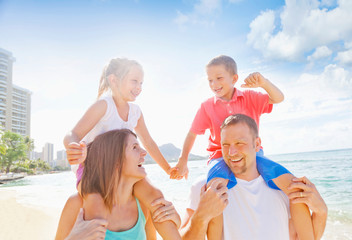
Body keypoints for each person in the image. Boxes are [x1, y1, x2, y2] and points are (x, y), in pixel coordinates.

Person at [63, 58, 178, 234]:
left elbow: (148, 142)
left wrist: (168, 169)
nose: (139, 87)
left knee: (155, 197)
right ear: (114, 80)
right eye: (134, 81)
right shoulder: (104, 106)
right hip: (93, 170)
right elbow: (73, 133)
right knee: (95, 207)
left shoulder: (135, 112)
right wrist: (73, 147)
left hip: (123, 172)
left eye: (141, 83)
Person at [181, 114, 327, 239]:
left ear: (257, 144)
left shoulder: (285, 188)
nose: (231, 152)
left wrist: (321, 212)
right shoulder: (205, 189)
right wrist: (201, 215)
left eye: (239, 143)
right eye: (225, 144)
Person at [56, 129, 181, 240]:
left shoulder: (143, 205)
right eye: (134, 147)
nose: (144, 152)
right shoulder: (77, 205)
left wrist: (176, 221)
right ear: (115, 161)